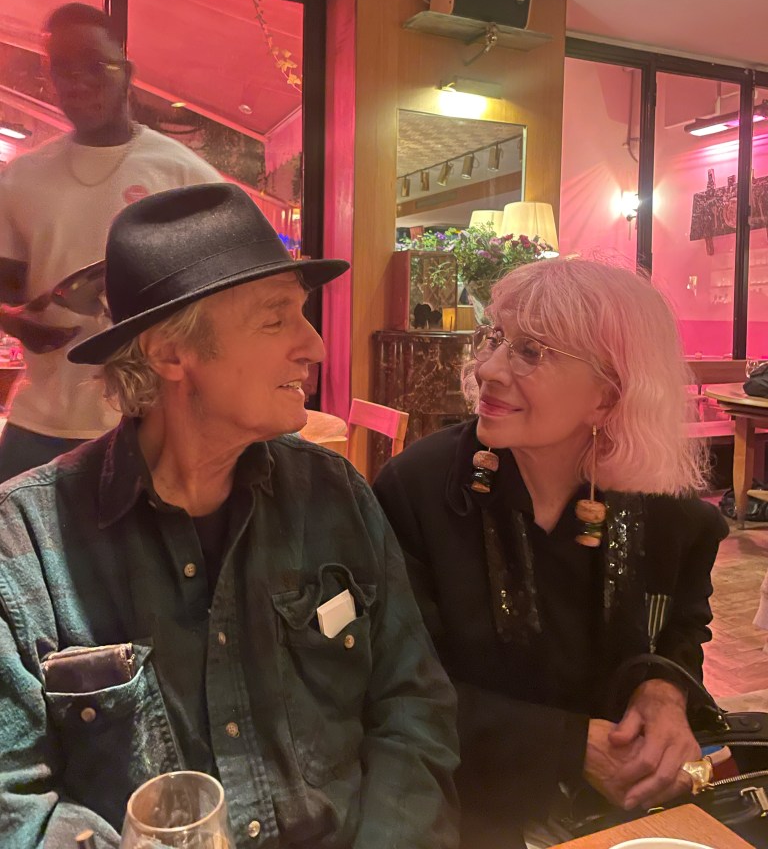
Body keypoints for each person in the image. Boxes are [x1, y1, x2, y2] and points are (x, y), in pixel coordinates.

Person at [0, 182, 459, 849]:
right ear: (169, 352)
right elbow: (14, 805)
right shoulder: (26, 547)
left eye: (302, 315)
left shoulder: (336, 496)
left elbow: (413, 708)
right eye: (275, 320)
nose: (315, 346)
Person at [373, 257, 729, 849]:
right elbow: (397, 683)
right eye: (495, 338)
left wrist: (664, 691)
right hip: (464, 810)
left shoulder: (667, 508)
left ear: (608, 396)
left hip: (622, 818)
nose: (487, 368)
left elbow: (682, 626)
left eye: (531, 351)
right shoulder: (420, 490)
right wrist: (567, 747)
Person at [0, 2, 220, 482]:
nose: (78, 82)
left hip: (147, 419)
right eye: (63, 69)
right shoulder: (20, 178)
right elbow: (5, 292)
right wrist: (17, 323)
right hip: (40, 422)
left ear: (128, 73)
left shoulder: (184, 174)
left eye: (95, 66)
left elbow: (226, 290)